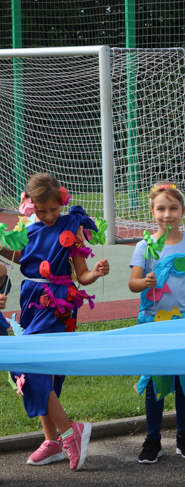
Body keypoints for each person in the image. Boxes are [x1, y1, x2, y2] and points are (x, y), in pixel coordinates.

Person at [1, 173, 109, 470]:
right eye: (42, 210)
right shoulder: (26, 228)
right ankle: (52, 441)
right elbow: (19, 257)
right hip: (31, 299)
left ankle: (70, 431)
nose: (49, 216)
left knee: (26, 364)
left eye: (54, 210)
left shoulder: (71, 226)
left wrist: (96, 273)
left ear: (62, 203)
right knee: (41, 371)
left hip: (58, 302)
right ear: (29, 205)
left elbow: (82, 274)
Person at [130, 183, 185, 463]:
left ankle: (184, 437)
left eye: (173, 208)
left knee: (184, 381)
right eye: (161, 208)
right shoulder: (144, 246)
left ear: (183, 211)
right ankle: (153, 439)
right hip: (155, 323)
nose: (168, 214)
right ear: (152, 212)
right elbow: (133, 283)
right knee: (155, 379)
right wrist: (146, 281)